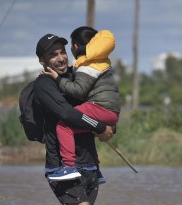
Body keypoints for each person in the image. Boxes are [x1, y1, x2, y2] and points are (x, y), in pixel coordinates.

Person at [34, 33, 113, 205]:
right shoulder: (44, 85)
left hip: (90, 164)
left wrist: (110, 127)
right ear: (42, 61)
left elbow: (100, 106)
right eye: (53, 55)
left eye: (62, 52)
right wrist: (100, 127)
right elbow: (67, 114)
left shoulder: (78, 77)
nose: (61, 58)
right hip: (63, 168)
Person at [42, 26, 120, 181]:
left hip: (99, 107)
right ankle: (96, 170)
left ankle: (69, 167)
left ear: (76, 46)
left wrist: (57, 78)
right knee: (82, 127)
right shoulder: (103, 62)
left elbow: (79, 91)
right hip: (111, 112)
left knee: (64, 124)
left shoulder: (87, 64)